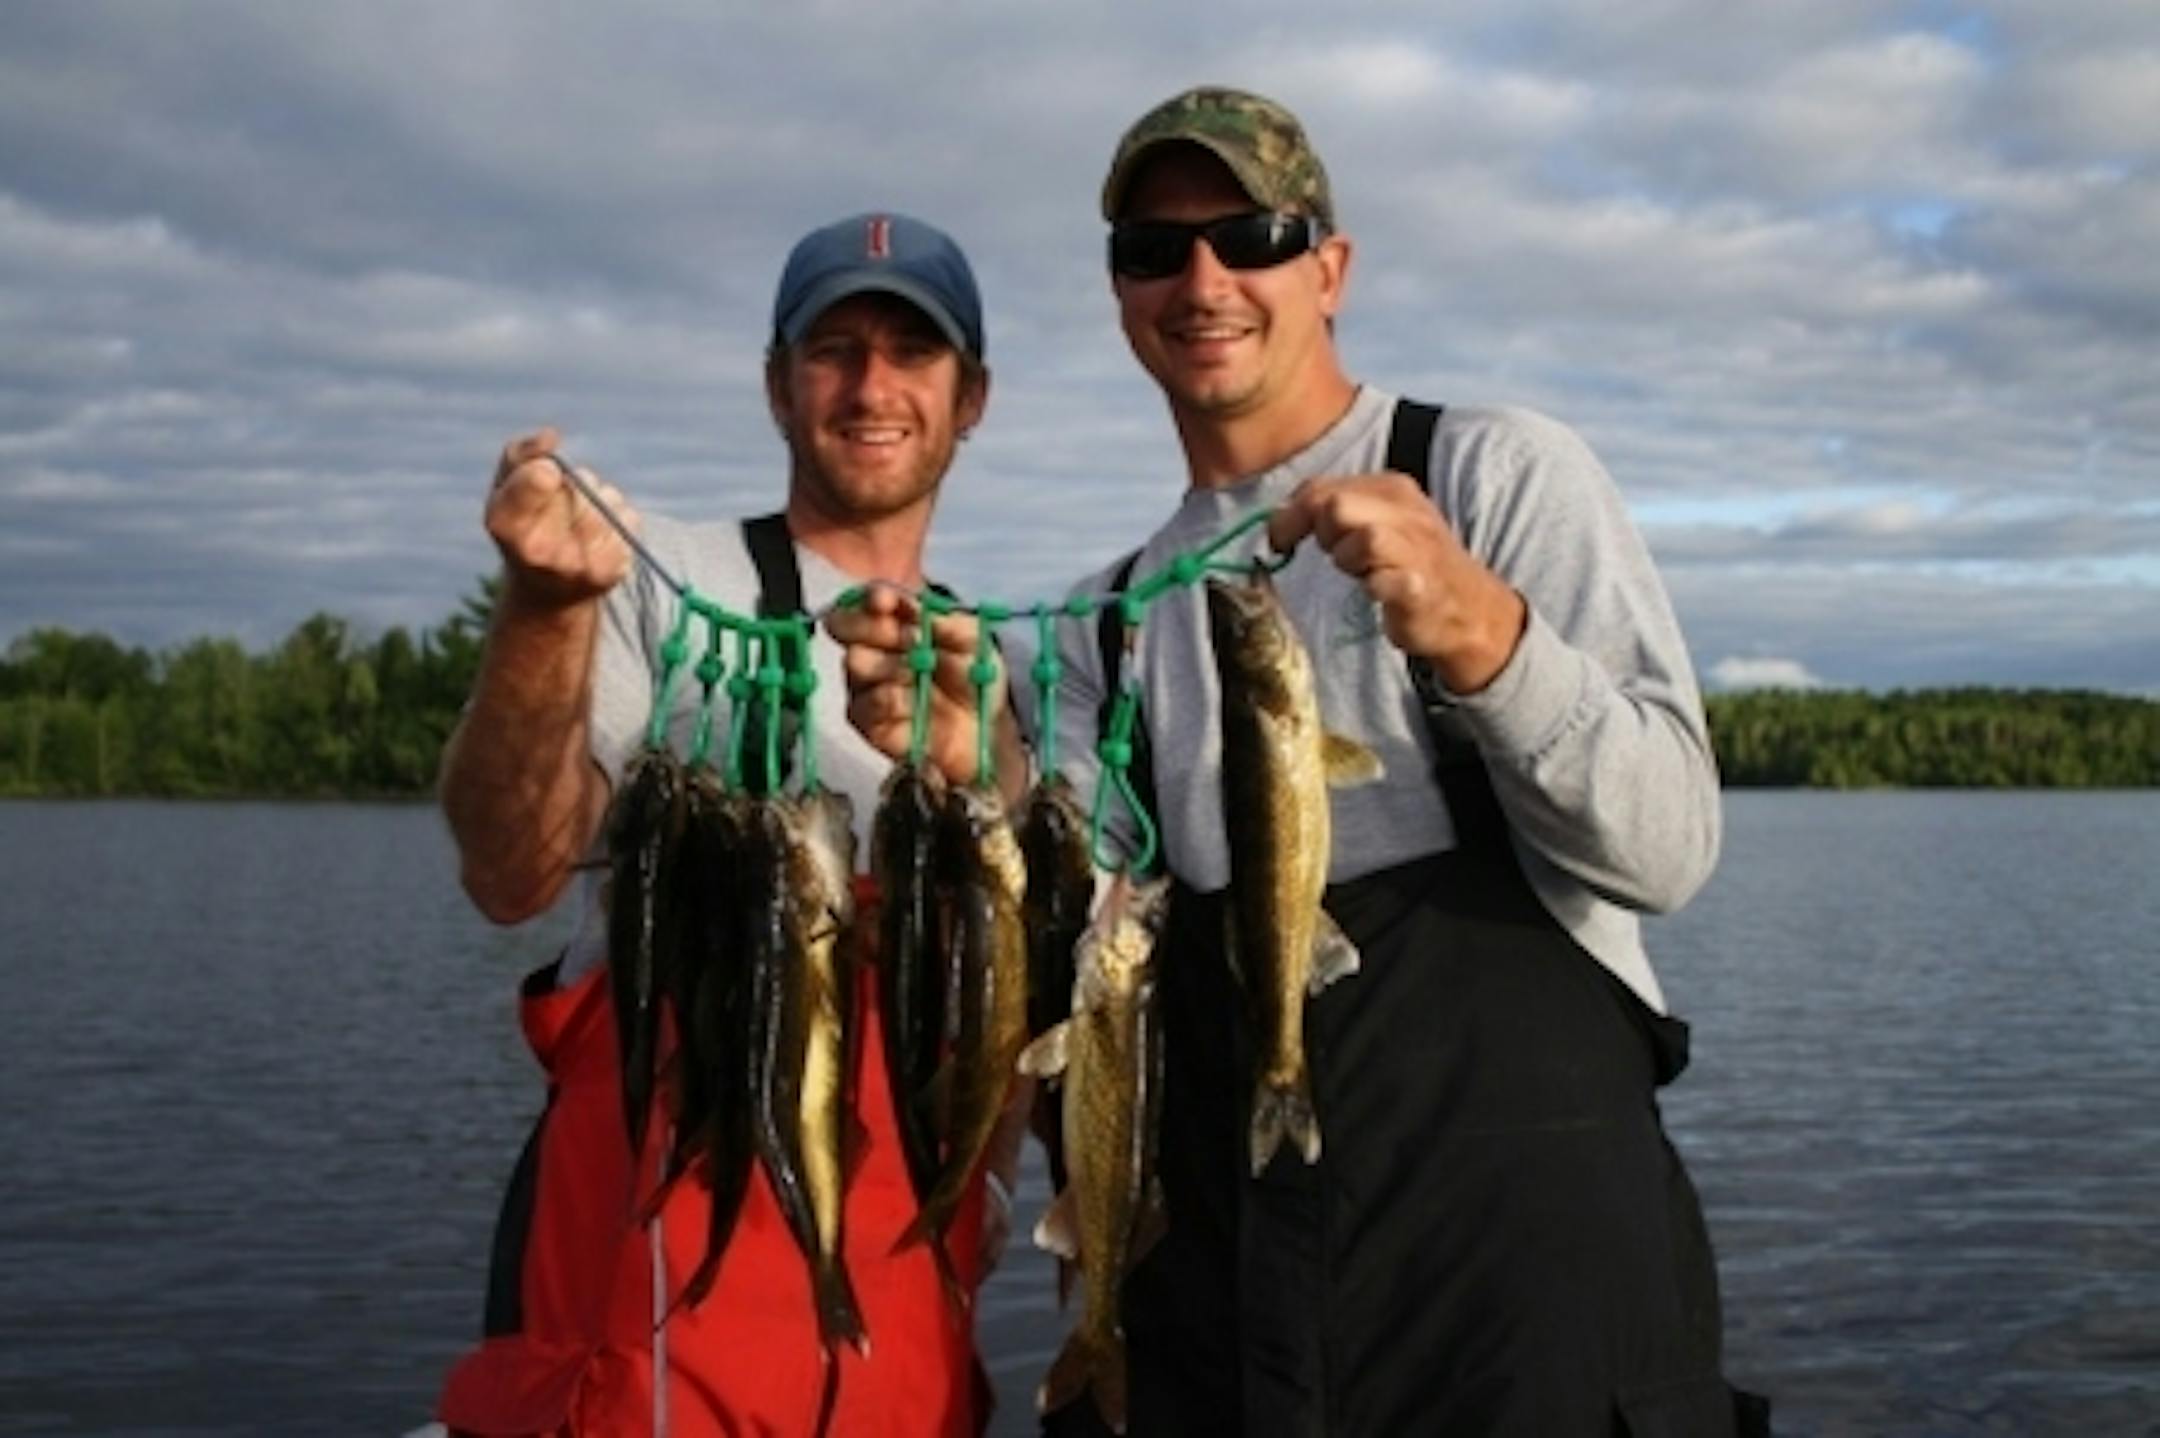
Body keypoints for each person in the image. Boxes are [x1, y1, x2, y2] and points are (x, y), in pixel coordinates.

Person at [1041, 87, 1766, 1435]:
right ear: (1121, 292)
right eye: (1153, 249)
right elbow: (1091, 959)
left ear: (1330, 266)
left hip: (1527, 1325)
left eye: (1251, 234)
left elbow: (1670, 852)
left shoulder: (1494, 474)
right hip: (1239, 1324)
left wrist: (1489, 638)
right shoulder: (1106, 620)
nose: (1204, 279)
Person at [432, 211, 1031, 1438]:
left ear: (971, 398)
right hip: (656, 1315)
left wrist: (993, 1194)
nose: (873, 386)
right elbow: (511, 870)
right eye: (834, 349)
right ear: (776, 384)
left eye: (913, 353)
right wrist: (546, 610)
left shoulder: (993, 667)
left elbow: (1018, 999)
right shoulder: (658, 576)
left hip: (910, 1312)